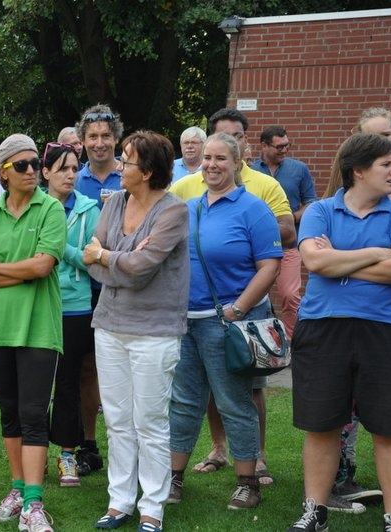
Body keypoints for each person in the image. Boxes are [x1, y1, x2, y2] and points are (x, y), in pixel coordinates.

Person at [287, 133, 391, 532]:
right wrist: (377, 253)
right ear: (358, 170)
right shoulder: (320, 210)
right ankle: (316, 513)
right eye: (386, 165)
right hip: (324, 328)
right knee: (322, 424)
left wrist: (338, 262)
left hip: (389, 331)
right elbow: (314, 262)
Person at [170, 108, 294, 486]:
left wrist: (238, 309)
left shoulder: (254, 209)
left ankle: (247, 483)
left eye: (220, 158)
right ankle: (173, 479)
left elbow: (269, 266)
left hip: (228, 324)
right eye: (207, 158)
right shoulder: (188, 208)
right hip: (187, 322)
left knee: (235, 403)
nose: (211, 164)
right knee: (184, 402)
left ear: (237, 163)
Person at [82, 131, 189, 532]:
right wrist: (116, 260)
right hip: (109, 325)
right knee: (117, 419)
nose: (119, 165)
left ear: (146, 171)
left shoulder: (173, 212)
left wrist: (108, 257)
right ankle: (120, 502)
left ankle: (152, 507)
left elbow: (141, 269)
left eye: (126, 160)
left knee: (150, 422)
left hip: (155, 331)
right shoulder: (114, 202)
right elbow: (90, 258)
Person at [0, 134, 65, 532]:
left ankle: (33, 503)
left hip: (39, 328)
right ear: (3, 172)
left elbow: (42, 267)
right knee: (9, 413)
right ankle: (17, 491)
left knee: (33, 415)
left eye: (35, 164)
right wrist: (19, 270)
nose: (32, 171)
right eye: (22, 165)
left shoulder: (51, 208)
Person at [40, 142, 99, 488]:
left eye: (75, 168)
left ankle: (66, 455)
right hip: (37, 302)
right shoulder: (34, 206)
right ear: (46, 172)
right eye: (63, 168)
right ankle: (34, 453)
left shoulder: (89, 209)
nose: (71, 175)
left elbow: (93, 260)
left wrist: (60, 246)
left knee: (68, 383)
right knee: (35, 383)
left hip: (75, 305)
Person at [71, 103, 125, 475]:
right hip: (83, 288)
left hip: (122, 284)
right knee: (86, 370)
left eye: (106, 135)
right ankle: (88, 445)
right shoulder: (74, 178)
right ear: (83, 140)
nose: (100, 142)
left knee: (123, 371)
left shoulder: (130, 176)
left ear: (116, 138)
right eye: (93, 136)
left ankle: (127, 448)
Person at [251, 125, 318, 338]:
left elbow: (311, 202)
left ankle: (292, 341)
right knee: (257, 295)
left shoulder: (299, 169)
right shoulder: (251, 172)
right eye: (279, 147)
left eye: (287, 145)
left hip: (288, 243)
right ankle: (262, 340)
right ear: (264, 146)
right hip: (257, 247)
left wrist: (290, 219)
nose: (284, 150)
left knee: (290, 295)